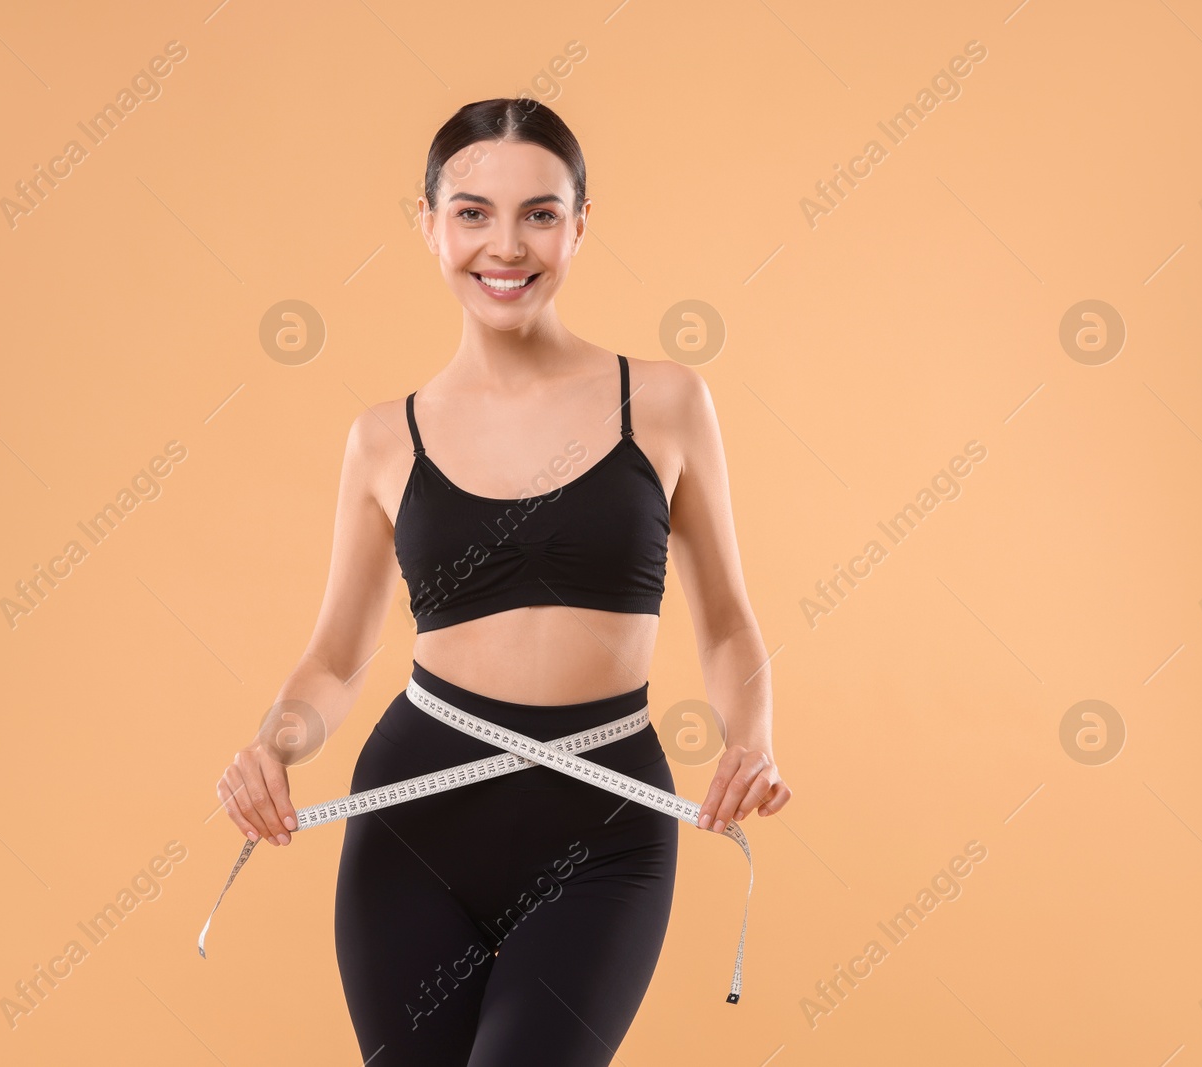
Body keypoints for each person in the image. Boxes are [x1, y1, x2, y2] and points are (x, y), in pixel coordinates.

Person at [214, 97, 790, 1066]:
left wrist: (754, 738)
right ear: (430, 224)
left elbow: (727, 624)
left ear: (579, 223)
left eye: (539, 212)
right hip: (413, 822)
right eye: (473, 212)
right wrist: (273, 746)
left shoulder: (666, 402)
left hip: (604, 821)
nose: (505, 245)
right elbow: (338, 654)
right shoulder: (381, 437)